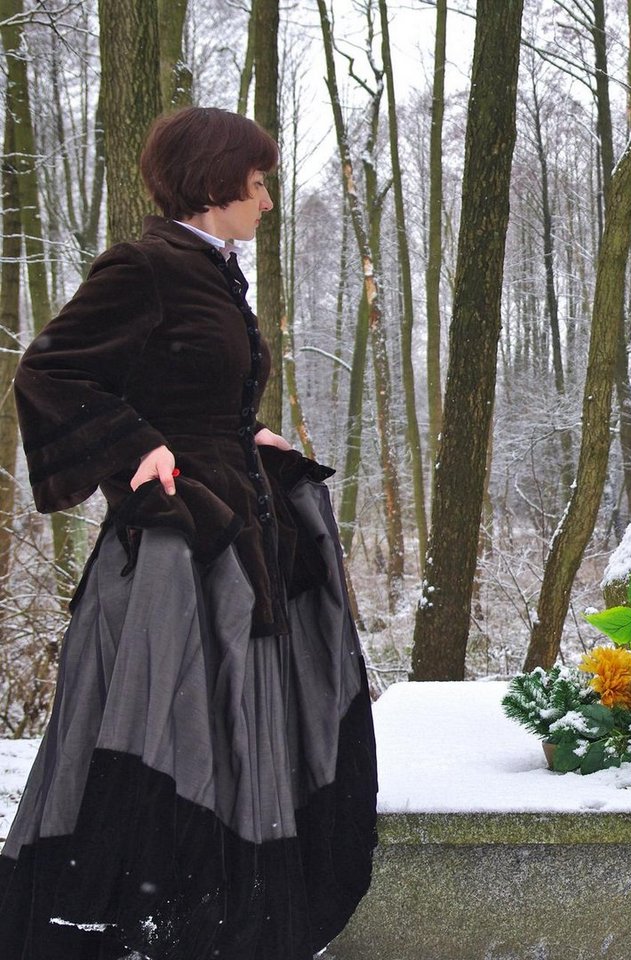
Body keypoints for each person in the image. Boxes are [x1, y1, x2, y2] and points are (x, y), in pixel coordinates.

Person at [0, 107, 378, 960]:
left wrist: (246, 434)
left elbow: (188, 386)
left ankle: (224, 918)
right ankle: (148, 923)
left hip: (237, 532)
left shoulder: (212, 270)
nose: (267, 202)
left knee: (227, 727)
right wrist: (137, 448)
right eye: (258, 184)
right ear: (215, 183)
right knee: (170, 727)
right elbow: (52, 370)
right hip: (181, 553)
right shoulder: (145, 266)